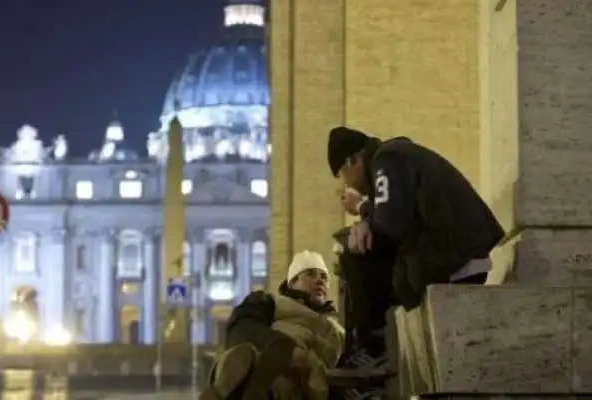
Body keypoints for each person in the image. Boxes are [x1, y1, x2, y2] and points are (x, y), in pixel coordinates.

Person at [327, 126, 505, 377]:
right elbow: (399, 217)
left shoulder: (386, 159)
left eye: (343, 175)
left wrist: (364, 211)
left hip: (452, 254)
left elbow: (393, 224)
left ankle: (371, 349)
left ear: (352, 160)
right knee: (365, 250)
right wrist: (367, 216)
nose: (347, 184)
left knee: (356, 255)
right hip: (453, 249)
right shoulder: (394, 157)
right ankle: (369, 347)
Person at [200, 251, 345, 400]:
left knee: (282, 384)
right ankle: (237, 379)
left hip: (305, 381)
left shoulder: (338, 327)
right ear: (293, 282)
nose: (319, 281)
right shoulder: (272, 302)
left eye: (324, 277)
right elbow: (241, 324)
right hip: (269, 358)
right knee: (247, 357)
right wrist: (286, 348)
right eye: (311, 274)